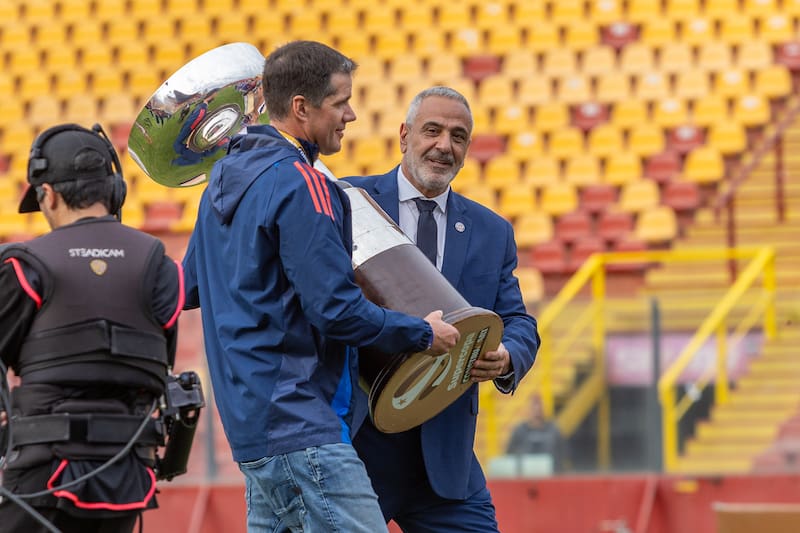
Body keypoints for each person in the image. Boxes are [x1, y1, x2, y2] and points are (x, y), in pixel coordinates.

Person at [181, 41, 460, 533]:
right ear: (301, 109)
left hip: (251, 429)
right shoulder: (301, 182)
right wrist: (421, 333)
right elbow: (336, 310)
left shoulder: (219, 184)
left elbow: (189, 288)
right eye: (340, 102)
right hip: (301, 424)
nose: (351, 114)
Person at [342, 86, 540, 532]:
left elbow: (518, 320)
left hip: (445, 458)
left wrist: (509, 354)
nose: (444, 145)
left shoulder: (492, 231)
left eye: (458, 136)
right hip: (358, 443)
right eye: (432, 131)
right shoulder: (351, 201)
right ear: (404, 135)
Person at [0, 123, 184, 532]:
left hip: (40, 475)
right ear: (114, 191)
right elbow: (158, 362)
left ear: (47, 194)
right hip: (130, 477)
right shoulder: (160, 264)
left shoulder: (25, 263)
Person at [505, 392, 567, 473]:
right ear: (529, 410)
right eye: (533, 408)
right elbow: (509, 454)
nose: (537, 411)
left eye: (539, 407)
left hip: (551, 475)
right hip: (524, 476)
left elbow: (563, 453)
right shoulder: (519, 431)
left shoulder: (553, 430)